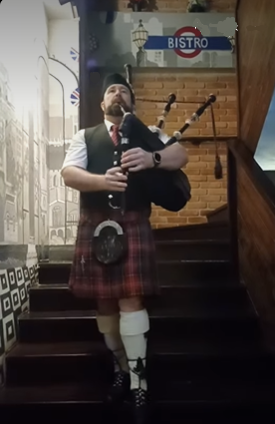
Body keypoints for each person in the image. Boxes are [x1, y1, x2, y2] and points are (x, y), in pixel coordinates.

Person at [61, 73, 188, 423]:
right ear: (103, 103)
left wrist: (153, 160)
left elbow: (180, 155)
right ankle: (121, 367)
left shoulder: (148, 134)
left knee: (131, 299)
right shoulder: (85, 136)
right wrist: (102, 180)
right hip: (96, 223)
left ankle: (139, 383)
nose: (118, 94)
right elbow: (68, 173)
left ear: (132, 102)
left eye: (124, 91)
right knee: (104, 302)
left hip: (133, 221)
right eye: (111, 91)